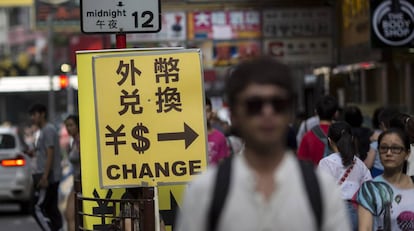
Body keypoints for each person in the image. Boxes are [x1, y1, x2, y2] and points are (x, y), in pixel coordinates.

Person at [175, 56, 351, 231]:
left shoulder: (322, 190)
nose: (267, 112)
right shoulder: (205, 192)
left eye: (278, 103)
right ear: (234, 115)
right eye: (254, 105)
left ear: (289, 112)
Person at [318, 121, 372, 231]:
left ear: (329, 140)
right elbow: (369, 188)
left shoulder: (326, 163)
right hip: (358, 213)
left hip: (336, 212)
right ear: (351, 139)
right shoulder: (359, 163)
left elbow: (321, 191)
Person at [357, 128, 414, 231]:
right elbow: (365, 228)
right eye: (383, 148)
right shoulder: (370, 189)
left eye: (395, 148)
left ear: (407, 153)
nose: (388, 153)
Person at [28, 103, 63, 231]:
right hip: (48, 175)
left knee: (37, 207)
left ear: (42, 114)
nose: (32, 118)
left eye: (34, 114)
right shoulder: (43, 131)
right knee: (51, 208)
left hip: (48, 176)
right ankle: (57, 228)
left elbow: (50, 153)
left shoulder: (48, 130)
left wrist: (45, 176)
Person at [297, 95, 339, 165]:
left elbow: (301, 163)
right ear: (335, 114)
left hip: (314, 175)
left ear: (316, 112)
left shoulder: (307, 137)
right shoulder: (342, 134)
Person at [64, 114, 81, 231]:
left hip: (81, 182)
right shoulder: (74, 141)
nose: (68, 128)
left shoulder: (80, 141)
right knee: (72, 215)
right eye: (67, 126)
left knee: (70, 215)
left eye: (71, 125)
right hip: (76, 181)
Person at [206, 97, 230, 165]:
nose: (204, 115)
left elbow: (222, 163)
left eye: (207, 111)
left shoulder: (220, 137)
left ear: (211, 112)